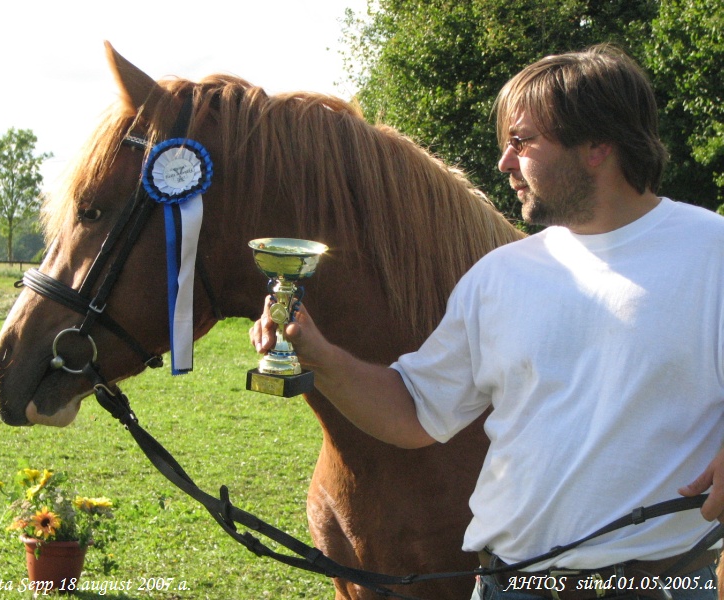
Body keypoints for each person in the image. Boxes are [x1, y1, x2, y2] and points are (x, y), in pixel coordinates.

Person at [250, 44, 724, 600]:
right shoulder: (499, 276)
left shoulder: (710, 252)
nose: (504, 162)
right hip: (510, 585)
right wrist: (320, 357)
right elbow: (413, 412)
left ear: (598, 144)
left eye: (523, 142)